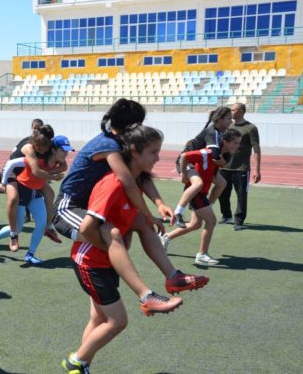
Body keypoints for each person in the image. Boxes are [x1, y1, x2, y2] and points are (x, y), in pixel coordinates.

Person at [53, 99, 208, 295]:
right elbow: (128, 183)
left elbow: (141, 177)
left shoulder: (120, 143)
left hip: (91, 206)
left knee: (143, 225)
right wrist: (149, 213)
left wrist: (158, 204)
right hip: (68, 207)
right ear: (132, 125)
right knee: (113, 235)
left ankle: (173, 276)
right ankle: (144, 294)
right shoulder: (109, 145)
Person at [62, 126, 183, 374]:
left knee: (98, 319)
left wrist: (151, 214)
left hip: (103, 262)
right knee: (117, 321)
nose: (158, 158)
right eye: (153, 152)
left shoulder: (133, 183)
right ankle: (76, 361)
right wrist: (111, 244)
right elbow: (87, 227)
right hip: (91, 262)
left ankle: (81, 365)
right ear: (135, 152)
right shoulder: (114, 184)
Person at [161, 129, 242, 266]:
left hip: (202, 192)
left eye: (239, 143)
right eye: (235, 142)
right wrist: (185, 175)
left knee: (195, 224)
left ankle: (165, 238)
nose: (237, 145)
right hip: (196, 192)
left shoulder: (223, 156)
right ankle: (202, 255)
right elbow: (185, 156)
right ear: (225, 141)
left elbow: (216, 177)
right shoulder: (208, 152)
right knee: (211, 221)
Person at [0, 135, 72, 264]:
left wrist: (51, 172)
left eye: (67, 151)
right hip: (23, 190)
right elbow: (12, 163)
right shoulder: (38, 158)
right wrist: (4, 183)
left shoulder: (59, 162)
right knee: (19, 228)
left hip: (36, 192)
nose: (66, 154)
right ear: (54, 149)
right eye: (63, 150)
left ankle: (30, 254)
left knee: (41, 224)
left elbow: (62, 167)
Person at [173, 106, 233, 228]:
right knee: (198, 184)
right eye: (228, 118)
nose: (231, 121)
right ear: (219, 119)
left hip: (198, 162)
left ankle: (208, 205)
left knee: (222, 183)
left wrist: (223, 160)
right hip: (186, 160)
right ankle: (178, 212)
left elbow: (220, 157)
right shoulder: (213, 132)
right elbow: (215, 155)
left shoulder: (220, 133)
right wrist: (184, 174)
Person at [218, 102, 261, 231]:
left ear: (241, 111)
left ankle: (239, 220)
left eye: (233, 110)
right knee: (222, 193)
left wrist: (257, 170)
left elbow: (257, 150)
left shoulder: (251, 128)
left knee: (242, 195)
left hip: (241, 168)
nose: (230, 112)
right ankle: (226, 215)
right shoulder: (227, 126)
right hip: (224, 167)